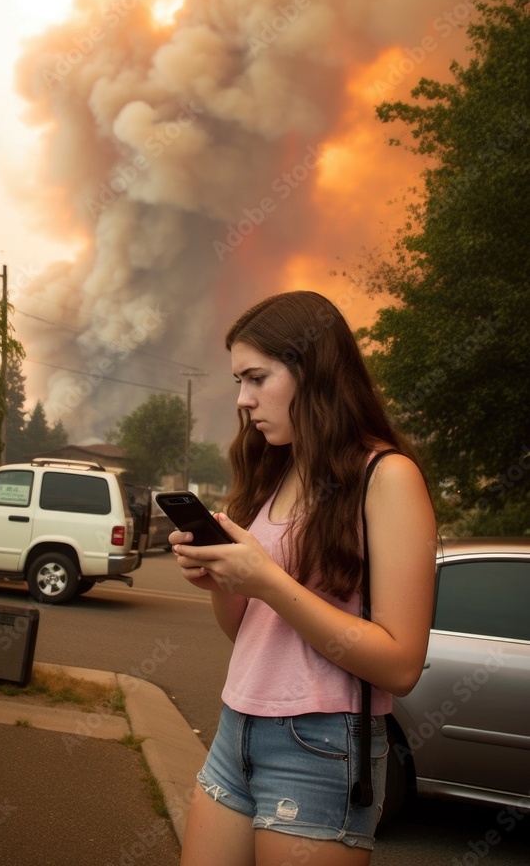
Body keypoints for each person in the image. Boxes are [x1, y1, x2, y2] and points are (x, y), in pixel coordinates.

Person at [170, 291, 436, 866]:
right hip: (235, 726)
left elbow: (401, 663)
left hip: (321, 746)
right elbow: (246, 634)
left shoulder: (388, 478)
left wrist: (265, 580)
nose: (243, 400)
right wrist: (222, 582)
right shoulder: (275, 470)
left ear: (309, 369)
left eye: (257, 378)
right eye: (239, 381)